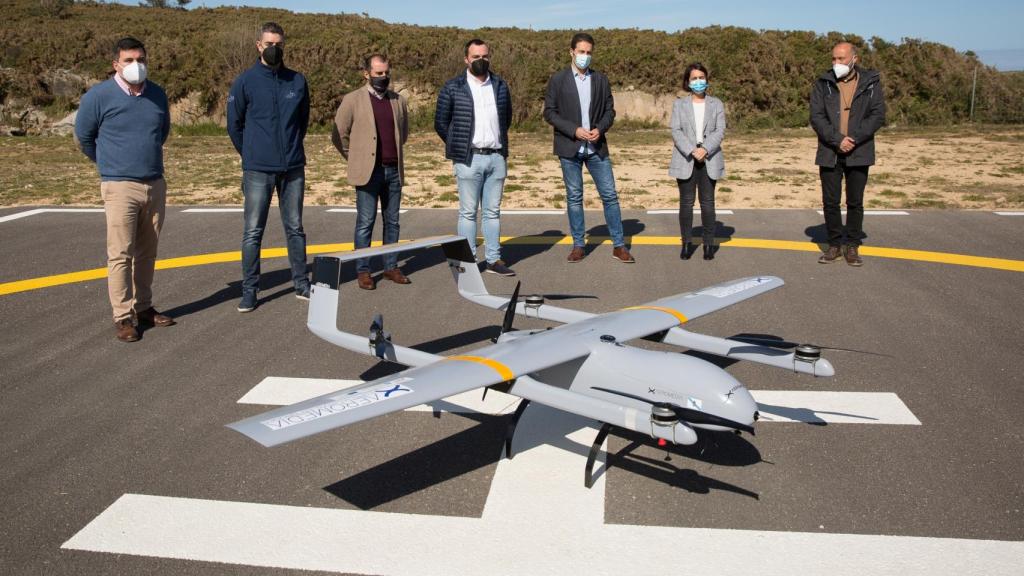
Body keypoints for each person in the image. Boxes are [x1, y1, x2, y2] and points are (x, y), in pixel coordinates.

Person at [75, 37, 174, 343]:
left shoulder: (157, 94)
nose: (136, 65)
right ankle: (123, 317)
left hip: (154, 183)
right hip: (119, 185)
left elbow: (162, 132)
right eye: (129, 60)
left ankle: (143, 307)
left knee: (148, 252)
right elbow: (84, 137)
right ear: (115, 64)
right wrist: (109, 165)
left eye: (140, 59)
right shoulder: (99, 96)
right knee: (120, 254)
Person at [227, 22, 311, 312]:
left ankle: (302, 283)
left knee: (295, 228)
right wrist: (251, 154)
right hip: (258, 169)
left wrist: (290, 148)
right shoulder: (245, 82)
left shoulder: (297, 81)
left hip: (292, 167)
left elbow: (302, 122)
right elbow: (234, 125)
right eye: (268, 43)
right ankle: (250, 289)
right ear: (258, 45)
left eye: (278, 43)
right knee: (253, 231)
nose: (273, 48)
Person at [543, 32, 634, 264]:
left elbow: (609, 111)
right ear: (571, 51)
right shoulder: (558, 79)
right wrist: (573, 130)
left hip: (597, 147)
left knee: (610, 196)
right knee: (575, 196)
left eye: (589, 52)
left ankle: (619, 245)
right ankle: (578, 245)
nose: (585, 56)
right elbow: (550, 112)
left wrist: (600, 129)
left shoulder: (601, 80)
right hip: (569, 146)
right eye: (581, 51)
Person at [434, 38, 515, 276]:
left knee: (492, 212)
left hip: (496, 157)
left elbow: (506, 118)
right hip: (468, 158)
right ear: (466, 59)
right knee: (468, 212)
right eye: (476, 57)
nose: (481, 60)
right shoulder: (453, 87)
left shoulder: (500, 85)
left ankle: (494, 260)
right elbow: (441, 122)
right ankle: (467, 262)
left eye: (485, 56)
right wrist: (457, 144)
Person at [333, 54, 410, 290]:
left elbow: (403, 133)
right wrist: (355, 157)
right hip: (368, 173)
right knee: (365, 222)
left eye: (386, 73)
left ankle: (390, 267)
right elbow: (339, 135)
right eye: (378, 73)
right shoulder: (352, 99)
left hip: (393, 171)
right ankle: (363, 270)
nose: (383, 77)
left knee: (393, 222)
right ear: (367, 73)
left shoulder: (398, 101)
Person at [810, 41, 886, 266]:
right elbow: (817, 116)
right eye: (833, 59)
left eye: (841, 59)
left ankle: (852, 246)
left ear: (854, 59)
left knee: (855, 201)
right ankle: (834, 245)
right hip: (830, 150)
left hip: (859, 150)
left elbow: (877, 114)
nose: (836, 63)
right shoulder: (823, 83)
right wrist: (837, 140)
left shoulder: (871, 82)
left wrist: (854, 139)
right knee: (830, 201)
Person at [669, 63, 726, 261]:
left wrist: (705, 149)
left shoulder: (716, 104)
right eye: (694, 78)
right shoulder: (679, 104)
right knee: (686, 203)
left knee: (708, 203)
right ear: (688, 82)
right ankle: (686, 243)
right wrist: (692, 150)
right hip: (686, 157)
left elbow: (720, 131)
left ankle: (708, 244)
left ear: (707, 80)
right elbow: (675, 130)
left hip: (709, 157)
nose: (698, 81)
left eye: (701, 77)